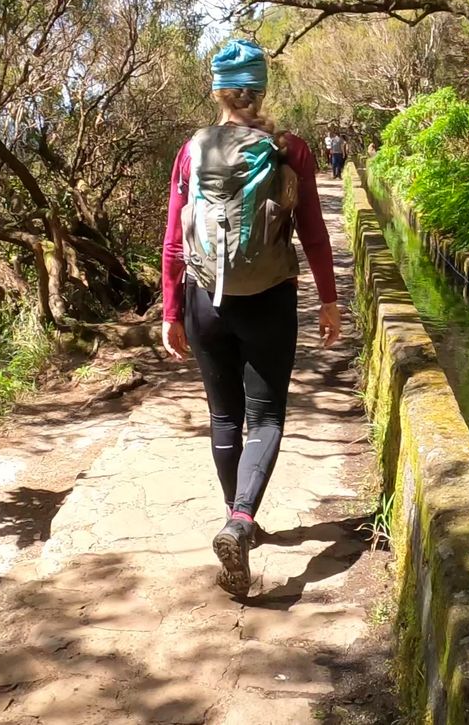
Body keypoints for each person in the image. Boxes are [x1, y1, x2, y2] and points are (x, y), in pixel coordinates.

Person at [161, 39, 341, 596]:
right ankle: (241, 520)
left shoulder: (191, 150)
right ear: (261, 88)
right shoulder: (291, 148)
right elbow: (312, 229)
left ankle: (234, 518)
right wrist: (330, 299)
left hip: (203, 300)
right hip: (269, 298)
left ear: (217, 89)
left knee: (223, 418)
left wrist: (170, 311)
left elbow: (172, 240)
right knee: (264, 417)